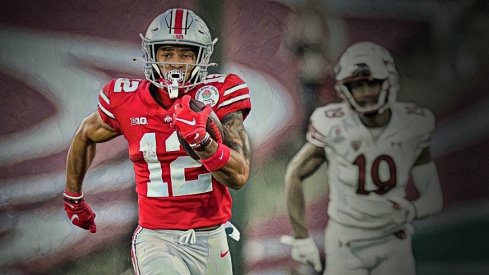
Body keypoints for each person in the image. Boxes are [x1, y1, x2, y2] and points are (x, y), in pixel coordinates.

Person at [62, 8, 251, 275]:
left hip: (211, 237)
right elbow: (85, 134)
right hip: (157, 238)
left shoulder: (220, 94)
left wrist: (203, 142)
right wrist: (73, 196)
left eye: (186, 54)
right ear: (152, 55)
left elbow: (239, 175)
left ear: (202, 57)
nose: (177, 63)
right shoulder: (127, 100)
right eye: (167, 53)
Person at [282, 41, 443, 274]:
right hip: (345, 242)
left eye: (372, 83)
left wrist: (412, 210)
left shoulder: (413, 124)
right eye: (357, 85)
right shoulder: (332, 124)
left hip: (393, 241)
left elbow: (433, 197)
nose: (366, 92)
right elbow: (294, 174)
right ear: (344, 89)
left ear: (389, 81)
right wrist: (300, 237)